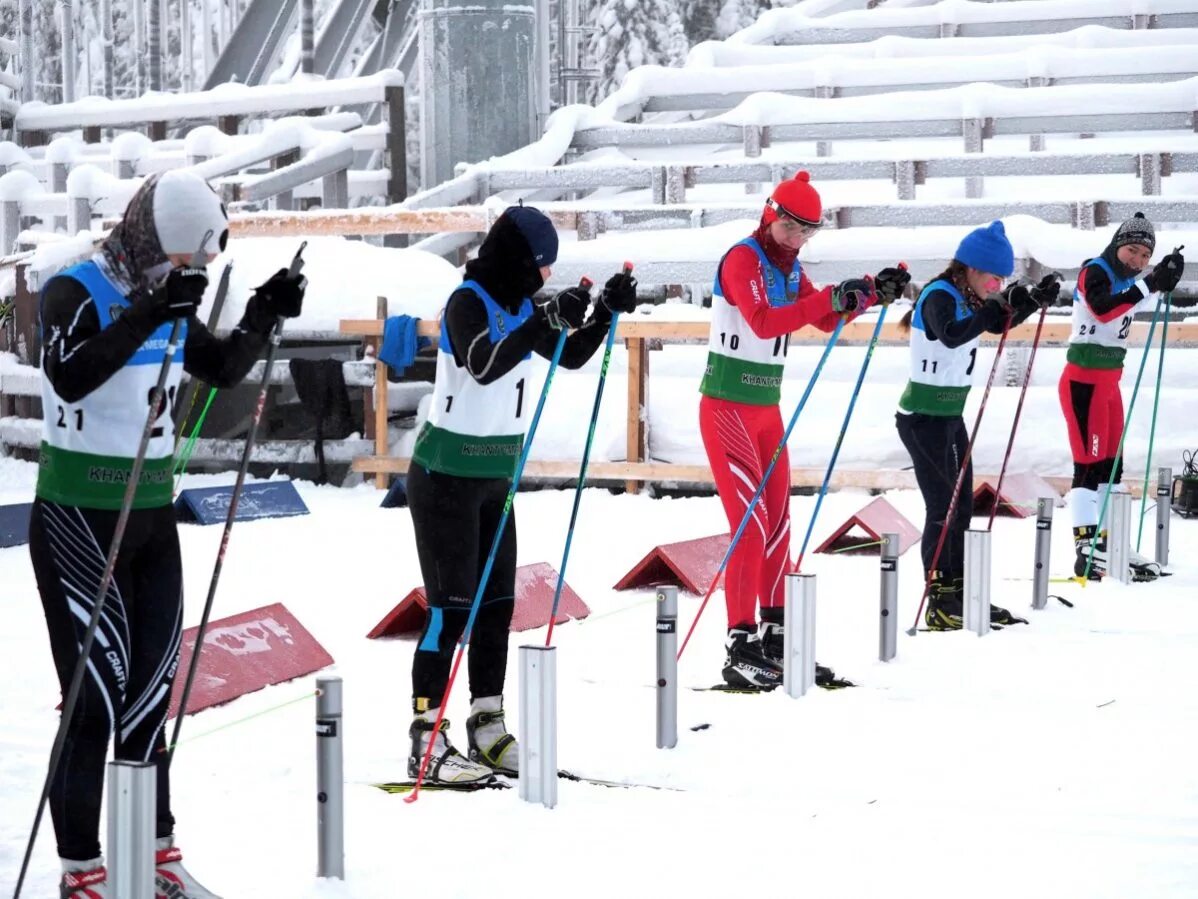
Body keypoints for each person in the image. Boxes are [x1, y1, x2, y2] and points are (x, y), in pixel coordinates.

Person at [28, 170, 307, 898]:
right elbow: (67, 374)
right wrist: (151, 310)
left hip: (150, 512)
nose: (197, 274)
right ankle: (80, 866)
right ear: (161, 245)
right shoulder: (75, 288)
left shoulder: (171, 295)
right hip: (78, 517)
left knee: (152, 693)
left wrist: (261, 313)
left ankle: (154, 850)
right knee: (95, 692)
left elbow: (216, 367)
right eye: (193, 261)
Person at [406, 205, 638, 784]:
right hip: (445, 481)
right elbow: (483, 362)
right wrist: (541, 321)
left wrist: (604, 310)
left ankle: (487, 723)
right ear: (515, 260)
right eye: (542, 270)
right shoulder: (467, 302)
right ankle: (424, 739)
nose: (545, 281)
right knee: (450, 613)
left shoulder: (520, 305)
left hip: (494, 479)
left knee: (496, 609)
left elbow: (574, 354)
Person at [698, 171, 910, 688]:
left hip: (766, 409)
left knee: (777, 525)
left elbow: (820, 317)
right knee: (750, 525)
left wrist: (868, 296)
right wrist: (833, 297)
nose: (796, 240)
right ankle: (739, 640)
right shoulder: (744, 258)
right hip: (727, 408)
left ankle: (775, 632)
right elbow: (765, 322)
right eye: (791, 228)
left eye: (807, 233)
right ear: (770, 215)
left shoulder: (791, 268)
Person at [895, 221, 1059, 630]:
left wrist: (1032, 302)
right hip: (922, 419)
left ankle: (962, 591)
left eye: (1002, 278)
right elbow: (950, 335)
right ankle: (940, 599)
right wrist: (992, 307)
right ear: (970, 267)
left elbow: (995, 324)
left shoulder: (969, 298)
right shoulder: (939, 296)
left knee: (962, 505)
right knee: (943, 507)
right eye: (993, 276)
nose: (997, 283)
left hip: (950, 416)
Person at [1059, 211, 1187, 580]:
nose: (1138, 260)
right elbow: (1102, 310)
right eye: (1133, 250)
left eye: (1145, 256)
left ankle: (1111, 541)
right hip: (1084, 382)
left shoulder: (1127, 281)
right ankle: (1086, 548)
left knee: (1112, 467)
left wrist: (1160, 280)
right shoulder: (1095, 271)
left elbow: (1136, 303)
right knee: (1088, 464)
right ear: (1117, 245)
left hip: (1109, 382)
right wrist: (1149, 284)